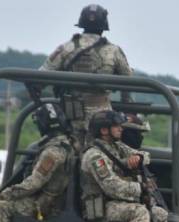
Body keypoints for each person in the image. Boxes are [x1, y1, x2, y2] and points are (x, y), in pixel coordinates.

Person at [80, 110, 168, 222]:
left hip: (117, 204)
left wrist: (138, 157)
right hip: (101, 207)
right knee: (139, 212)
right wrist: (140, 188)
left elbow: (146, 155)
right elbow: (112, 187)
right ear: (104, 130)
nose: (121, 129)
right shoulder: (94, 156)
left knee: (160, 214)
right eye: (116, 126)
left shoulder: (116, 146)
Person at [41, 4, 133, 144]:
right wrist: (127, 108)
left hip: (70, 114)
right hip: (102, 119)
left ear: (81, 23)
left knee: (67, 151)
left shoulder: (66, 47)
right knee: (103, 153)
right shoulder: (113, 51)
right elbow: (128, 80)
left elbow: (42, 75)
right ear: (104, 25)